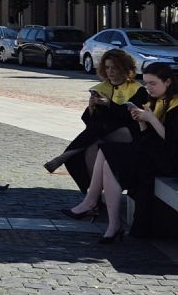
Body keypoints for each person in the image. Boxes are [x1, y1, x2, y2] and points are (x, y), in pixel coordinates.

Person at [67, 62, 178, 242]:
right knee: (107, 152)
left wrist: (151, 119)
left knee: (112, 156)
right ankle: (108, 218)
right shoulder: (160, 101)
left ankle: (99, 211)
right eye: (146, 83)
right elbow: (148, 138)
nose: (148, 88)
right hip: (161, 154)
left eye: (153, 83)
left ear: (168, 82)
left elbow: (177, 143)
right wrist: (141, 121)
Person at [44, 49, 143, 191]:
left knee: (101, 128)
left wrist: (109, 104)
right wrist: (91, 108)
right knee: (86, 151)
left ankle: (62, 157)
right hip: (103, 133)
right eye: (107, 67)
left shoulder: (137, 89)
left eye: (114, 67)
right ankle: (92, 198)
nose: (110, 72)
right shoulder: (102, 88)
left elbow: (133, 116)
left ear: (124, 68)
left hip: (130, 133)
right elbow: (91, 124)